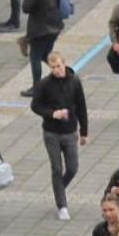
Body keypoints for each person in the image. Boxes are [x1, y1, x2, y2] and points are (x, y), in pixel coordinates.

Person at [30, 51, 89, 222]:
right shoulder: (44, 84)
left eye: (59, 66)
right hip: (51, 132)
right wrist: (51, 113)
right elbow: (35, 106)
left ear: (64, 64)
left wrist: (84, 131)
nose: (56, 70)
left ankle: (59, 189)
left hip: (70, 132)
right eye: (53, 67)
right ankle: (62, 205)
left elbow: (81, 106)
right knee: (56, 168)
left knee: (72, 168)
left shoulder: (75, 81)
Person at [21, 0, 65, 96]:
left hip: (40, 28)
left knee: (35, 56)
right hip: (55, 26)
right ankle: (63, 74)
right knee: (46, 55)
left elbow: (26, 8)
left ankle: (37, 87)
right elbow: (58, 1)